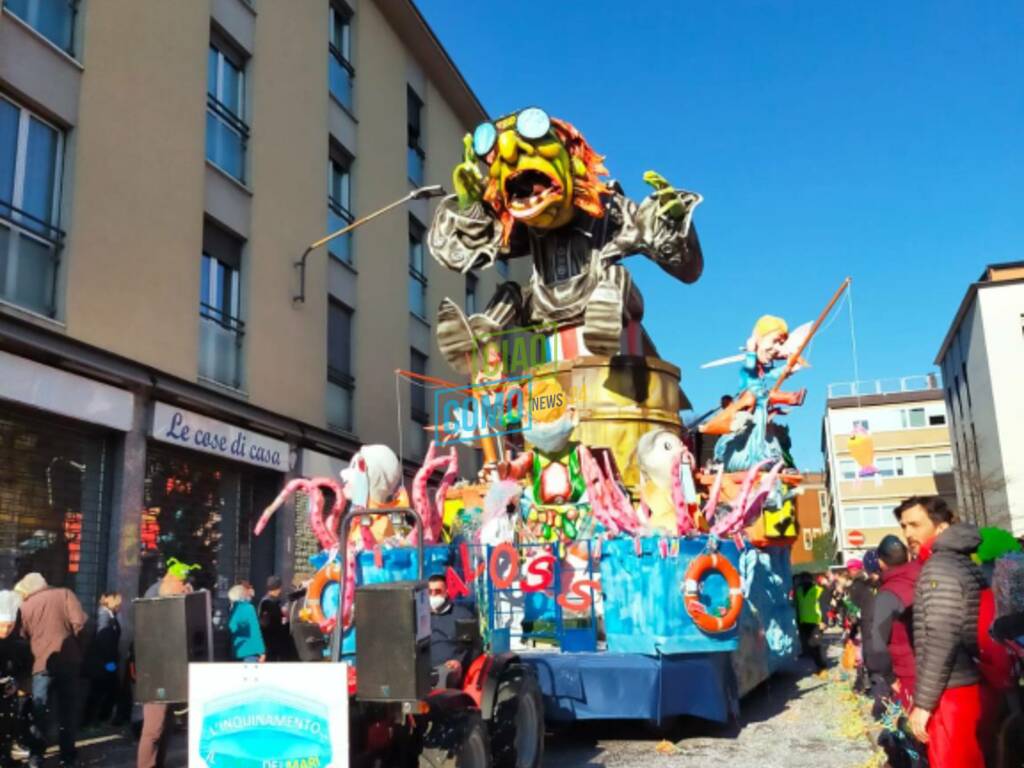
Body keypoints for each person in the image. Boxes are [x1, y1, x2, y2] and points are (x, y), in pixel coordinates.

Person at [897, 496, 985, 768]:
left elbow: (940, 637)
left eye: (915, 524)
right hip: (963, 682)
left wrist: (923, 705)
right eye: (904, 526)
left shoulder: (939, 566)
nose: (908, 533)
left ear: (941, 528)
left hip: (951, 690)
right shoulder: (960, 561)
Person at [14, 573, 88, 768]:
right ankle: (68, 757)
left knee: (40, 711)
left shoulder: (25, 607)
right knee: (68, 711)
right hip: (69, 661)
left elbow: (21, 638)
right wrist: (78, 647)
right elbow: (80, 623)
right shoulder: (65, 594)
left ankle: (36, 756)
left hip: (41, 665)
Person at [137, 559, 195, 768]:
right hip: (155, 672)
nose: (184, 587)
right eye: (182, 583)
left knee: (165, 725)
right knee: (154, 727)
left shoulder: (164, 595)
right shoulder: (156, 598)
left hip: (168, 668)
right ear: (172, 580)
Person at [0, 591, 34, 768]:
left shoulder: (16, 643)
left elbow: (21, 667)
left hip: (7, 700)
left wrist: (16, 683)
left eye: (9, 626)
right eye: (2, 626)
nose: (5, 630)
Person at [82, 593, 122, 728]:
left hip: (106, 662)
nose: (120, 604)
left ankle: (96, 719)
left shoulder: (110, 615)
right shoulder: (103, 616)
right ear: (110, 600)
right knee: (100, 691)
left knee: (103, 690)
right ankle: (92, 720)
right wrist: (110, 663)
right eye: (117, 600)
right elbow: (104, 640)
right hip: (103, 662)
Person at [427, 575, 476, 688]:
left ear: (446, 592)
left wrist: (459, 661)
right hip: (424, 669)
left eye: (438, 591)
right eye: (430, 592)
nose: (433, 595)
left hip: (448, 670)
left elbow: (473, 646)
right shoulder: (420, 617)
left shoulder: (462, 615)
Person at [794, 573, 828, 669]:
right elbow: (797, 605)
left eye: (805, 579)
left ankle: (822, 666)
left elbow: (824, 607)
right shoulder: (798, 591)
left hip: (816, 622)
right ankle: (817, 663)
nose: (803, 581)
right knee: (808, 644)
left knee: (816, 644)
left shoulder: (818, 590)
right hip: (803, 621)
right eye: (802, 579)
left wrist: (824, 621)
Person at [227, 585, 265, 663]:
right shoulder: (249, 608)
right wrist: (262, 652)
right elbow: (255, 631)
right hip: (250, 651)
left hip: (236, 651)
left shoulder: (233, 610)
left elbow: (232, 627)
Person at [257, 576, 291, 662]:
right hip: (271, 644)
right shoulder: (269, 602)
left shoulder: (266, 601)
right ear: (278, 588)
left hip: (270, 642)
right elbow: (271, 624)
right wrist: (285, 622)